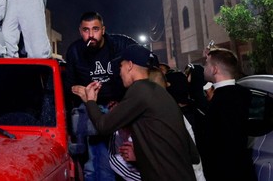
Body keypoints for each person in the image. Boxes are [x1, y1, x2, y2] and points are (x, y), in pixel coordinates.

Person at [72, 44, 200, 181]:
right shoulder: (160, 93)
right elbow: (193, 154)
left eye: (120, 66)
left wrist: (90, 101)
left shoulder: (139, 89)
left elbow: (103, 126)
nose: (119, 72)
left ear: (130, 65)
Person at [63, 11, 137, 181]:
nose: (91, 35)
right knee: (95, 163)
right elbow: (68, 85)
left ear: (103, 30)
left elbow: (145, 65)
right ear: (80, 31)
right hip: (91, 108)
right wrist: (79, 90)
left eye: (95, 29)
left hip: (120, 108)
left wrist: (124, 102)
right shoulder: (75, 51)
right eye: (86, 30)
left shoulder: (120, 44)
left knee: (120, 161)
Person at [198, 47, 256, 181]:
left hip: (226, 174)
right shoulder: (243, 94)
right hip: (244, 171)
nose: (204, 68)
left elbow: (219, 147)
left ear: (214, 69)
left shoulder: (221, 101)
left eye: (206, 64)